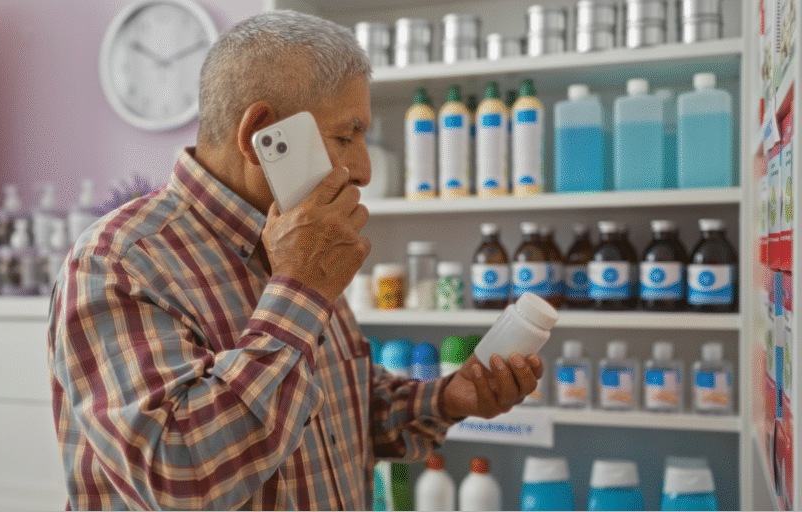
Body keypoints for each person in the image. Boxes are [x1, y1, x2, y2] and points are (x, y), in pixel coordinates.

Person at [48, 10, 543, 511]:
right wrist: (300, 290)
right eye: (346, 137)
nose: (364, 170)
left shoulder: (304, 243)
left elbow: (336, 408)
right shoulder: (119, 262)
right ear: (260, 135)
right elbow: (181, 478)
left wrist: (447, 400)